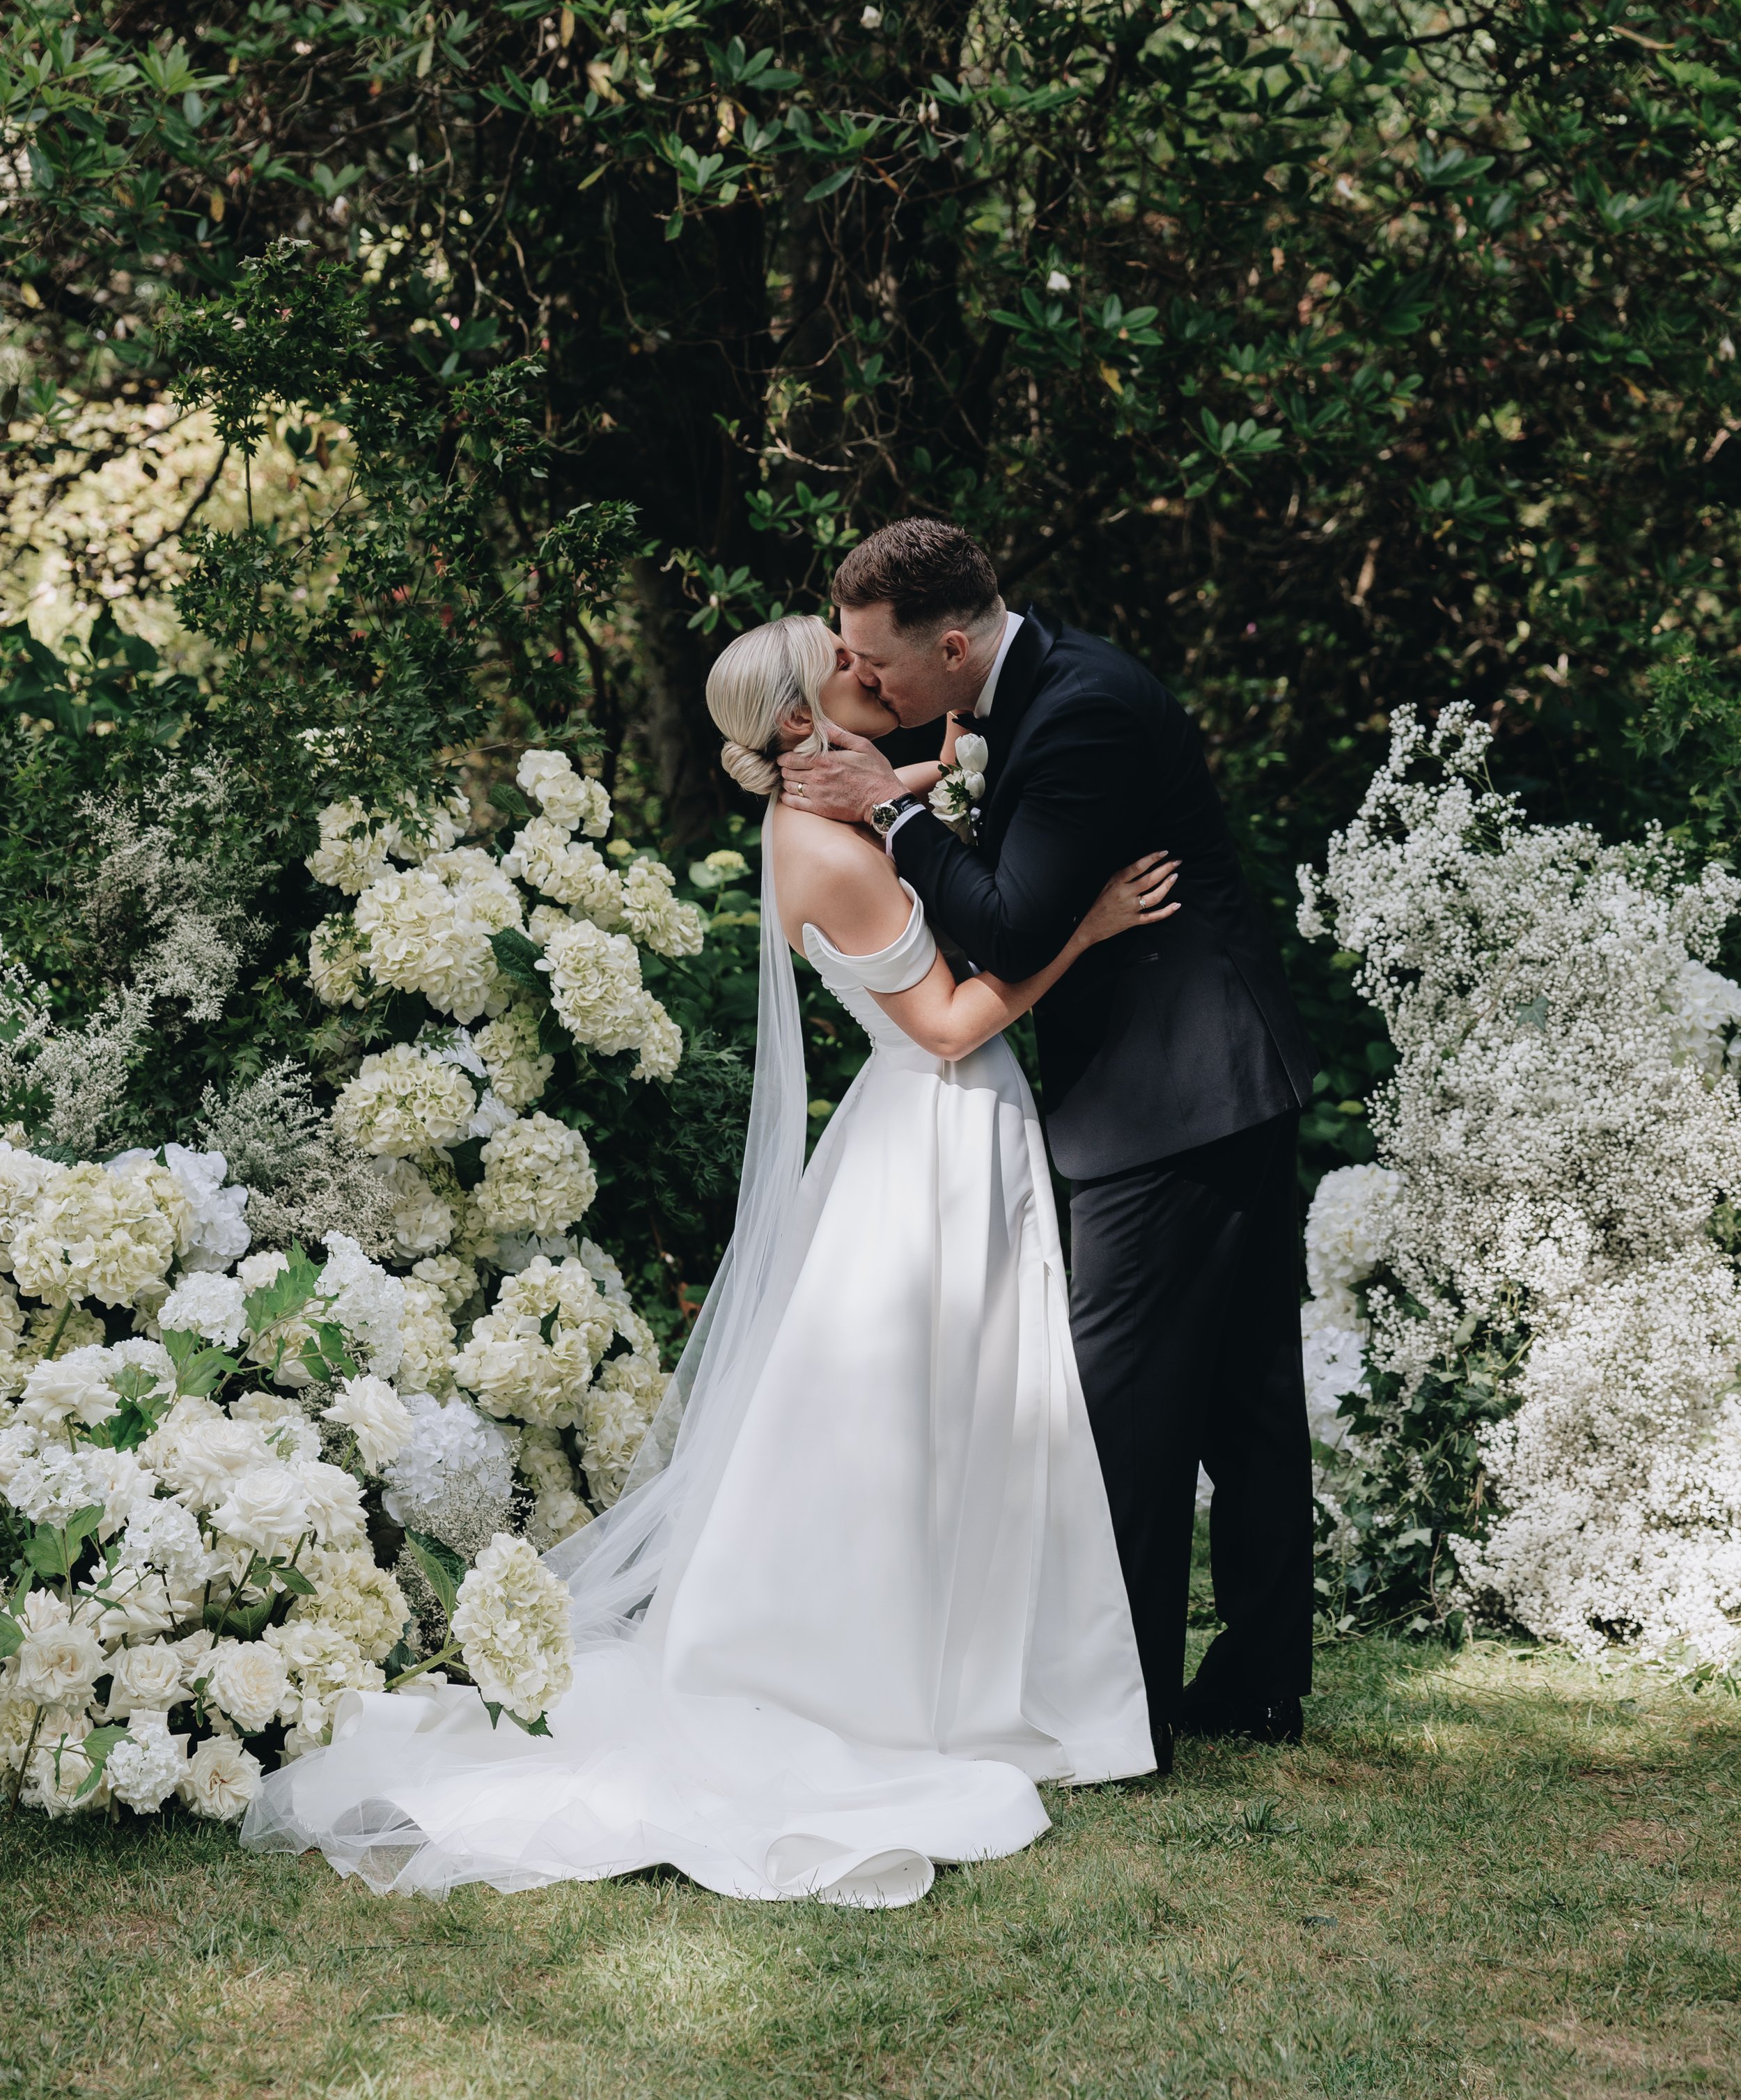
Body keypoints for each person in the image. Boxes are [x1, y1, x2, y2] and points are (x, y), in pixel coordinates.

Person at [244, 614, 1178, 1907]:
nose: (867, 671)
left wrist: (947, 769)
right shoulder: (826, 853)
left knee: (956, 1408)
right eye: (842, 666)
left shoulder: (830, 806)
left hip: (931, 1134)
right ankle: (898, 1677)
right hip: (937, 1125)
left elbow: (910, 793)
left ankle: (971, 1657)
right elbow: (952, 1022)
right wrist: (1086, 925)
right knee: (930, 1405)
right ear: (800, 722)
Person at [780, 521, 1319, 1759]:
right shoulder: (1027, 687)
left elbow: (1015, 927)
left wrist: (892, 809)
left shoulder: (1081, 712)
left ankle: (1119, 1707)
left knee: (1125, 1408)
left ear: (950, 647)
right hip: (1212, 1079)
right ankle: (1254, 1683)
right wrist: (918, 789)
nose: (871, 687)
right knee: (1242, 1395)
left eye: (878, 663)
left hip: (1174, 1093)